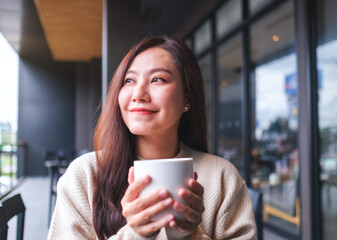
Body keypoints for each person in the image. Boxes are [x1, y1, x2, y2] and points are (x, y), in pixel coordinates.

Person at [47, 36, 256, 240]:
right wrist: (135, 234)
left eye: (158, 79)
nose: (138, 94)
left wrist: (185, 234)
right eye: (129, 80)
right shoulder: (85, 175)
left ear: (187, 98)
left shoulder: (221, 177)